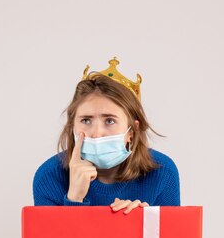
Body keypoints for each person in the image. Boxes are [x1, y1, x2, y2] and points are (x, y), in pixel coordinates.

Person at [32, 57, 180, 214]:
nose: (96, 133)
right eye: (86, 120)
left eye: (109, 121)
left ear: (132, 131)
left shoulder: (163, 172)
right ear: (72, 126)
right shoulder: (49, 177)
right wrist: (74, 199)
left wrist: (137, 223)